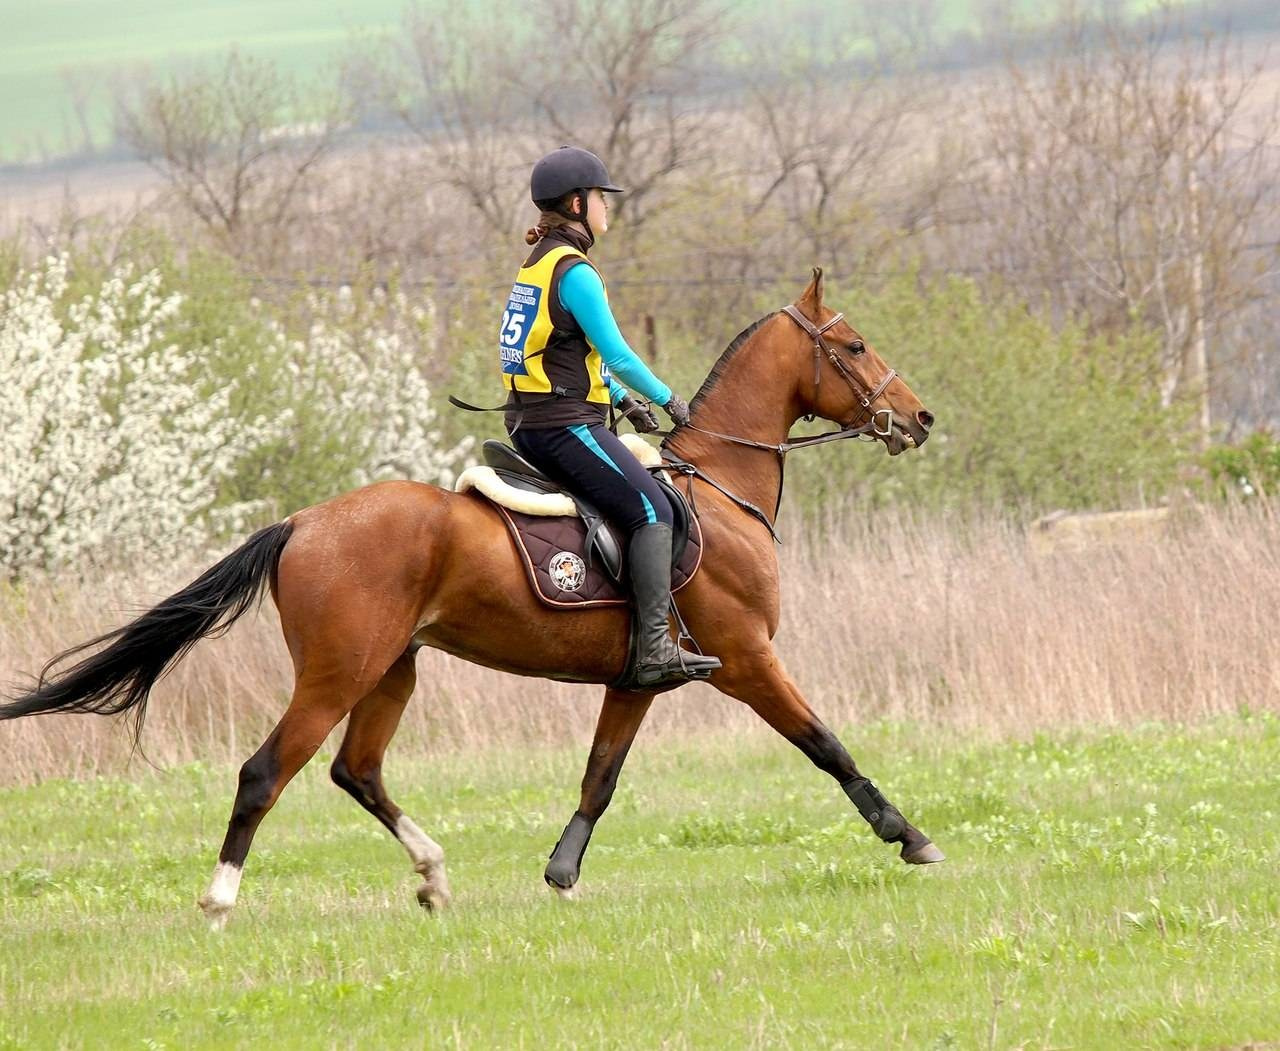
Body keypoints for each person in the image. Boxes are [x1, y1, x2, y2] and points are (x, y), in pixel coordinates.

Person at [499, 145, 721, 688]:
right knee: (651, 508)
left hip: (533, 420)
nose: (606, 208)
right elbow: (618, 353)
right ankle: (653, 650)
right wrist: (670, 399)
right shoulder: (575, 271)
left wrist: (620, 400)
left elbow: (561, 353)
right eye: (601, 198)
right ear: (577, 203)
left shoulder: (538, 264)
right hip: (562, 426)